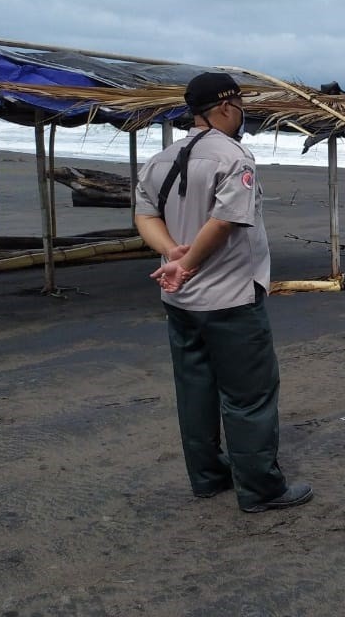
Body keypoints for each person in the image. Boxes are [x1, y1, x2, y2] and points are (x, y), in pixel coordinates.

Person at [134, 72, 312, 514]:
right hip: (229, 297)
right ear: (228, 108)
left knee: (195, 388)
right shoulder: (234, 157)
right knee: (249, 393)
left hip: (179, 300)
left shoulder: (161, 158)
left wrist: (170, 254)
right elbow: (227, 219)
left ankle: (208, 477)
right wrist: (189, 262)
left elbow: (144, 215)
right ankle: (260, 488)